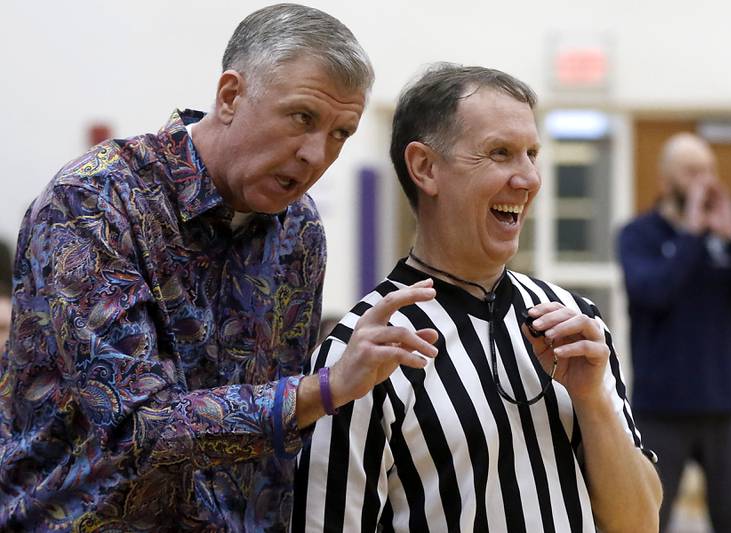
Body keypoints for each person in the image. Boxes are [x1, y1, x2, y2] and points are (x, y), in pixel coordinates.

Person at [0, 5, 440, 531]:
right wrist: (323, 388)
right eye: (303, 117)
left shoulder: (298, 228)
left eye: (341, 134)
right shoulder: (96, 200)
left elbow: (271, 457)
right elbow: (140, 428)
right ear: (230, 96)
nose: (315, 154)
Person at [293, 64, 661, 532]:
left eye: (532, 153)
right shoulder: (357, 354)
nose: (528, 178)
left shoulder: (573, 320)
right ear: (425, 168)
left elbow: (640, 523)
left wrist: (591, 402)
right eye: (500, 153)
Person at [617, 133, 731, 532]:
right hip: (661, 408)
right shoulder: (638, 235)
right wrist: (689, 235)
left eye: (708, 170)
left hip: (723, 406)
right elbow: (652, 292)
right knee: (648, 519)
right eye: (691, 171)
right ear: (665, 180)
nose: (703, 181)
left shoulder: (724, 239)